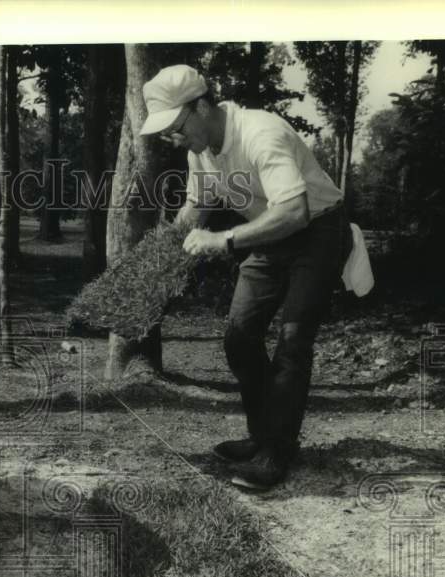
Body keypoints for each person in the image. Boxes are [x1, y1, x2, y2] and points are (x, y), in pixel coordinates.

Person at [139, 64, 353, 490]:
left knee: (293, 342)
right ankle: (260, 437)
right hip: (269, 236)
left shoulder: (260, 132)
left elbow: (295, 212)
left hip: (319, 231)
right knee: (239, 337)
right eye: (163, 131)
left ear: (201, 107)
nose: (170, 137)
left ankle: (278, 451)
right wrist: (155, 261)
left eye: (174, 127)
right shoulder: (199, 151)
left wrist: (223, 241)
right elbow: (195, 208)